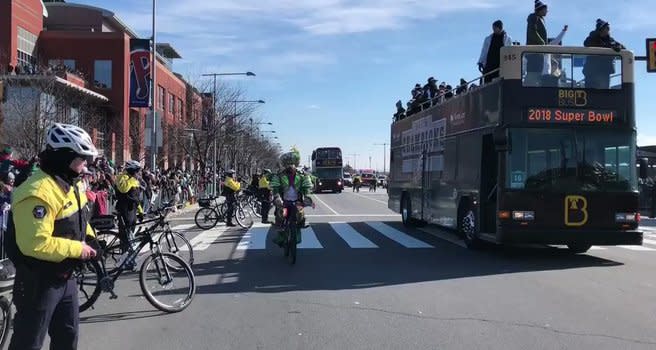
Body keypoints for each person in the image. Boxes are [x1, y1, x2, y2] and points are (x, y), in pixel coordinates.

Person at [6, 123, 98, 350]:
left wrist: (91, 238)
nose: (85, 165)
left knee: (68, 337)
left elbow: (79, 219)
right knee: (28, 342)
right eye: (81, 158)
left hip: (65, 278)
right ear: (64, 157)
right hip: (38, 281)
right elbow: (35, 243)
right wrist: (79, 249)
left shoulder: (70, 184)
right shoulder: (37, 191)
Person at [270, 147, 314, 246]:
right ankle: (281, 233)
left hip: (297, 201)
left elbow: (307, 186)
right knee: (281, 214)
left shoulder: (302, 176)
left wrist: (307, 196)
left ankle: (301, 224)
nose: (291, 167)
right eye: (289, 165)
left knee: (300, 214)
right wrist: (277, 197)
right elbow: (275, 187)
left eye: (293, 165)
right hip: (284, 202)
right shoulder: (279, 176)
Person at [583, 19, 625, 89]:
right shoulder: (592, 37)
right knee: (590, 95)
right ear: (601, 29)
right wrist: (607, 46)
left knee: (604, 95)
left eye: (609, 28)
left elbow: (623, 48)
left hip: (604, 72)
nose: (608, 30)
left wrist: (618, 47)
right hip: (591, 72)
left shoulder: (610, 40)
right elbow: (586, 43)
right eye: (607, 28)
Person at [115, 160, 143, 260]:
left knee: (131, 235)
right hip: (124, 209)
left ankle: (129, 257)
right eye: (137, 171)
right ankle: (124, 257)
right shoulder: (121, 177)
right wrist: (132, 179)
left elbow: (136, 197)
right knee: (125, 236)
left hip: (133, 210)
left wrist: (140, 211)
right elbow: (123, 189)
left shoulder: (135, 180)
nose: (139, 173)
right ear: (132, 170)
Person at [525, 0, 549, 86]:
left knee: (537, 74)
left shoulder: (540, 19)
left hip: (538, 54)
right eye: (545, 9)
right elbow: (532, 32)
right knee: (533, 74)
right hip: (534, 53)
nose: (547, 11)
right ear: (540, 9)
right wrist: (542, 43)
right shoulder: (533, 17)